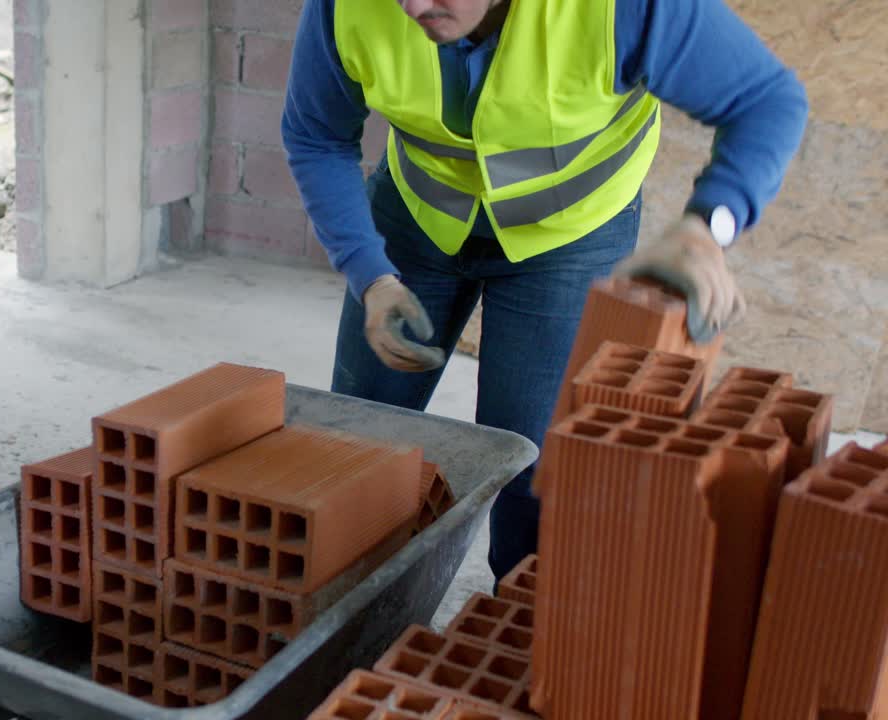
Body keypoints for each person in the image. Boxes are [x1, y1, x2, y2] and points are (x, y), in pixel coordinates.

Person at [281, 0, 807, 582]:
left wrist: (709, 226)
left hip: (568, 234)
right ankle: (348, 607)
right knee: (355, 437)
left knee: (535, 474)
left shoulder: (620, 9)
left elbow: (768, 102)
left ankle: (515, 624)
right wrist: (369, 273)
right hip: (421, 215)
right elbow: (315, 135)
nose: (412, 5)